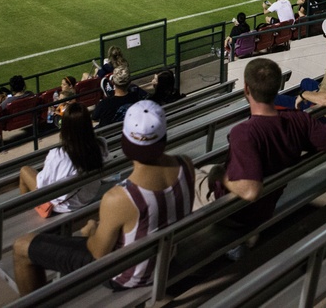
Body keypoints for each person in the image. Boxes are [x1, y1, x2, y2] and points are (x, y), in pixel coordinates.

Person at [13, 100, 194, 295]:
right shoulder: (186, 164)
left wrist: (91, 231)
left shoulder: (119, 197)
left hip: (127, 275)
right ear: (163, 137)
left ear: (126, 140)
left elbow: (98, 252)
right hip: (165, 256)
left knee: (21, 246)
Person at [198, 58, 326, 252]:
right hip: (267, 203)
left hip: (236, 213)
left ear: (246, 89)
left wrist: (219, 176)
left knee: (192, 175)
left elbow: (250, 191)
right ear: (276, 89)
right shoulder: (299, 120)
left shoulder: (243, 133)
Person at [18, 103, 108, 214]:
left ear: (65, 128)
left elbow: (41, 187)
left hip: (63, 206)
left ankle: (24, 213)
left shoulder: (58, 155)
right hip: (90, 194)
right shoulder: (101, 144)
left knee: (24, 170)